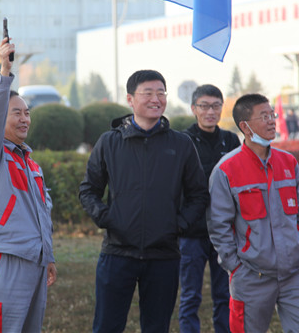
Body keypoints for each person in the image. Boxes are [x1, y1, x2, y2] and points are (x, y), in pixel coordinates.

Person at [79, 69, 210, 333]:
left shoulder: (181, 144)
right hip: (117, 253)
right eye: (147, 93)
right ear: (130, 99)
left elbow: (199, 194)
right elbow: (88, 190)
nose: (156, 99)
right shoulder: (109, 142)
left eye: (161, 93)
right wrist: (107, 218)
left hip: (163, 255)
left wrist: (178, 224)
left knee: (157, 327)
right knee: (106, 326)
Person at [0, 37, 57, 332]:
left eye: (27, 113)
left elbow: (40, 214)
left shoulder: (30, 164)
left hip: (34, 263)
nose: (25, 118)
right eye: (17, 112)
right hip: (2, 262)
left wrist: (47, 256)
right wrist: (5, 72)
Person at [207, 93, 299, 333]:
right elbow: (219, 226)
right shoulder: (226, 170)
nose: (272, 121)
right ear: (245, 126)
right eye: (264, 116)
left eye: (272, 115)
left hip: (296, 272)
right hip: (252, 276)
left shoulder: (288, 162)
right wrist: (236, 267)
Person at [179, 84, 240, 333]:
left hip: (223, 230)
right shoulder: (183, 140)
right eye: (204, 106)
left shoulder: (231, 140)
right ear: (194, 109)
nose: (210, 112)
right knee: (190, 295)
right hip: (191, 232)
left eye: (216, 106)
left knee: (225, 293)